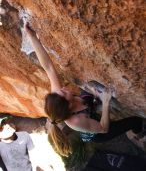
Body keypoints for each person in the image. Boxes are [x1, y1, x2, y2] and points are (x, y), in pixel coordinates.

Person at [24, 23, 146, 157]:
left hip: (87, 110)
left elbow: (48, 67)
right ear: (69, 105)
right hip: (97, 132)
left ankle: (95, 100)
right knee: (136, 120)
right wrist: (105, 103)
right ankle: (139, 133)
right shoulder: (76, 122)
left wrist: (31, 36)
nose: (63, 88)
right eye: (64, 92)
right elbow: (103, 128)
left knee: (89, 89)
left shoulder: (58, 96)